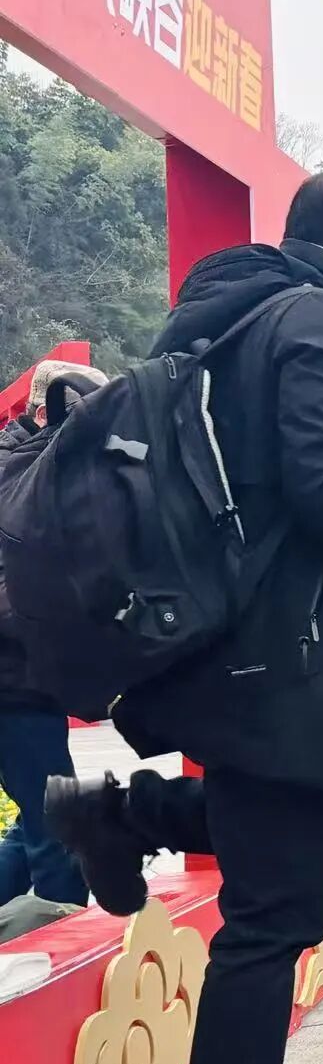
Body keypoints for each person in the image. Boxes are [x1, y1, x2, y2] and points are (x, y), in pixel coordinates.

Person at [45, 166, 323, 1064]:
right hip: (289, 658)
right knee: (274, 914)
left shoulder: (231, 319)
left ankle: (124, 814)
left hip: (247, 646)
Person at [0, 360, 106, 911]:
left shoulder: (37, 473)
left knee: (37, 822)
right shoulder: (17, 480)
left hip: (29, 679)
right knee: (61, 829)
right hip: (14, 682)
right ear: (45, 414)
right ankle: (63, 938)